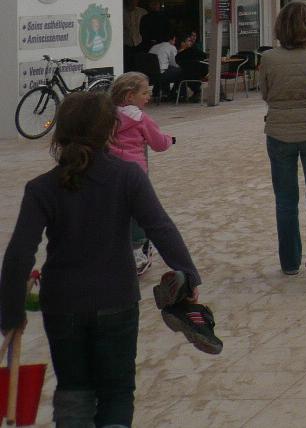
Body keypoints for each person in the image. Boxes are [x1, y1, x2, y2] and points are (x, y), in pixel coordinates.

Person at [1, 92, 212, 428]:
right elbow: (161, 228)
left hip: (63, 304)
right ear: (111, 130)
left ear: (60, 132)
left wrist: (10, 313)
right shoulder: (128, 176)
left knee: (73, 391)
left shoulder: (42, 188)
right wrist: (188, 275)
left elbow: (17, 256)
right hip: (117, 299)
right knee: (116, 391)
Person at [258, 0, 306, 285]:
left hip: (279, 132)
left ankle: (289, 261)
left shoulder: (268, 58)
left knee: (286, 199)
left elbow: (265, 92)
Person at [108, 72, 175, 274]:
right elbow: (158, 143)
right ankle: (138, 249)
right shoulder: (141, 119)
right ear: (130, 96)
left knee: (116, 209)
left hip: (110, 170)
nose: (149, 96)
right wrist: (169, 139)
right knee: (138, 211)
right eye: (145, 93)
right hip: (136, 173)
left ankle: (115, 248)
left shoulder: (107, 115)